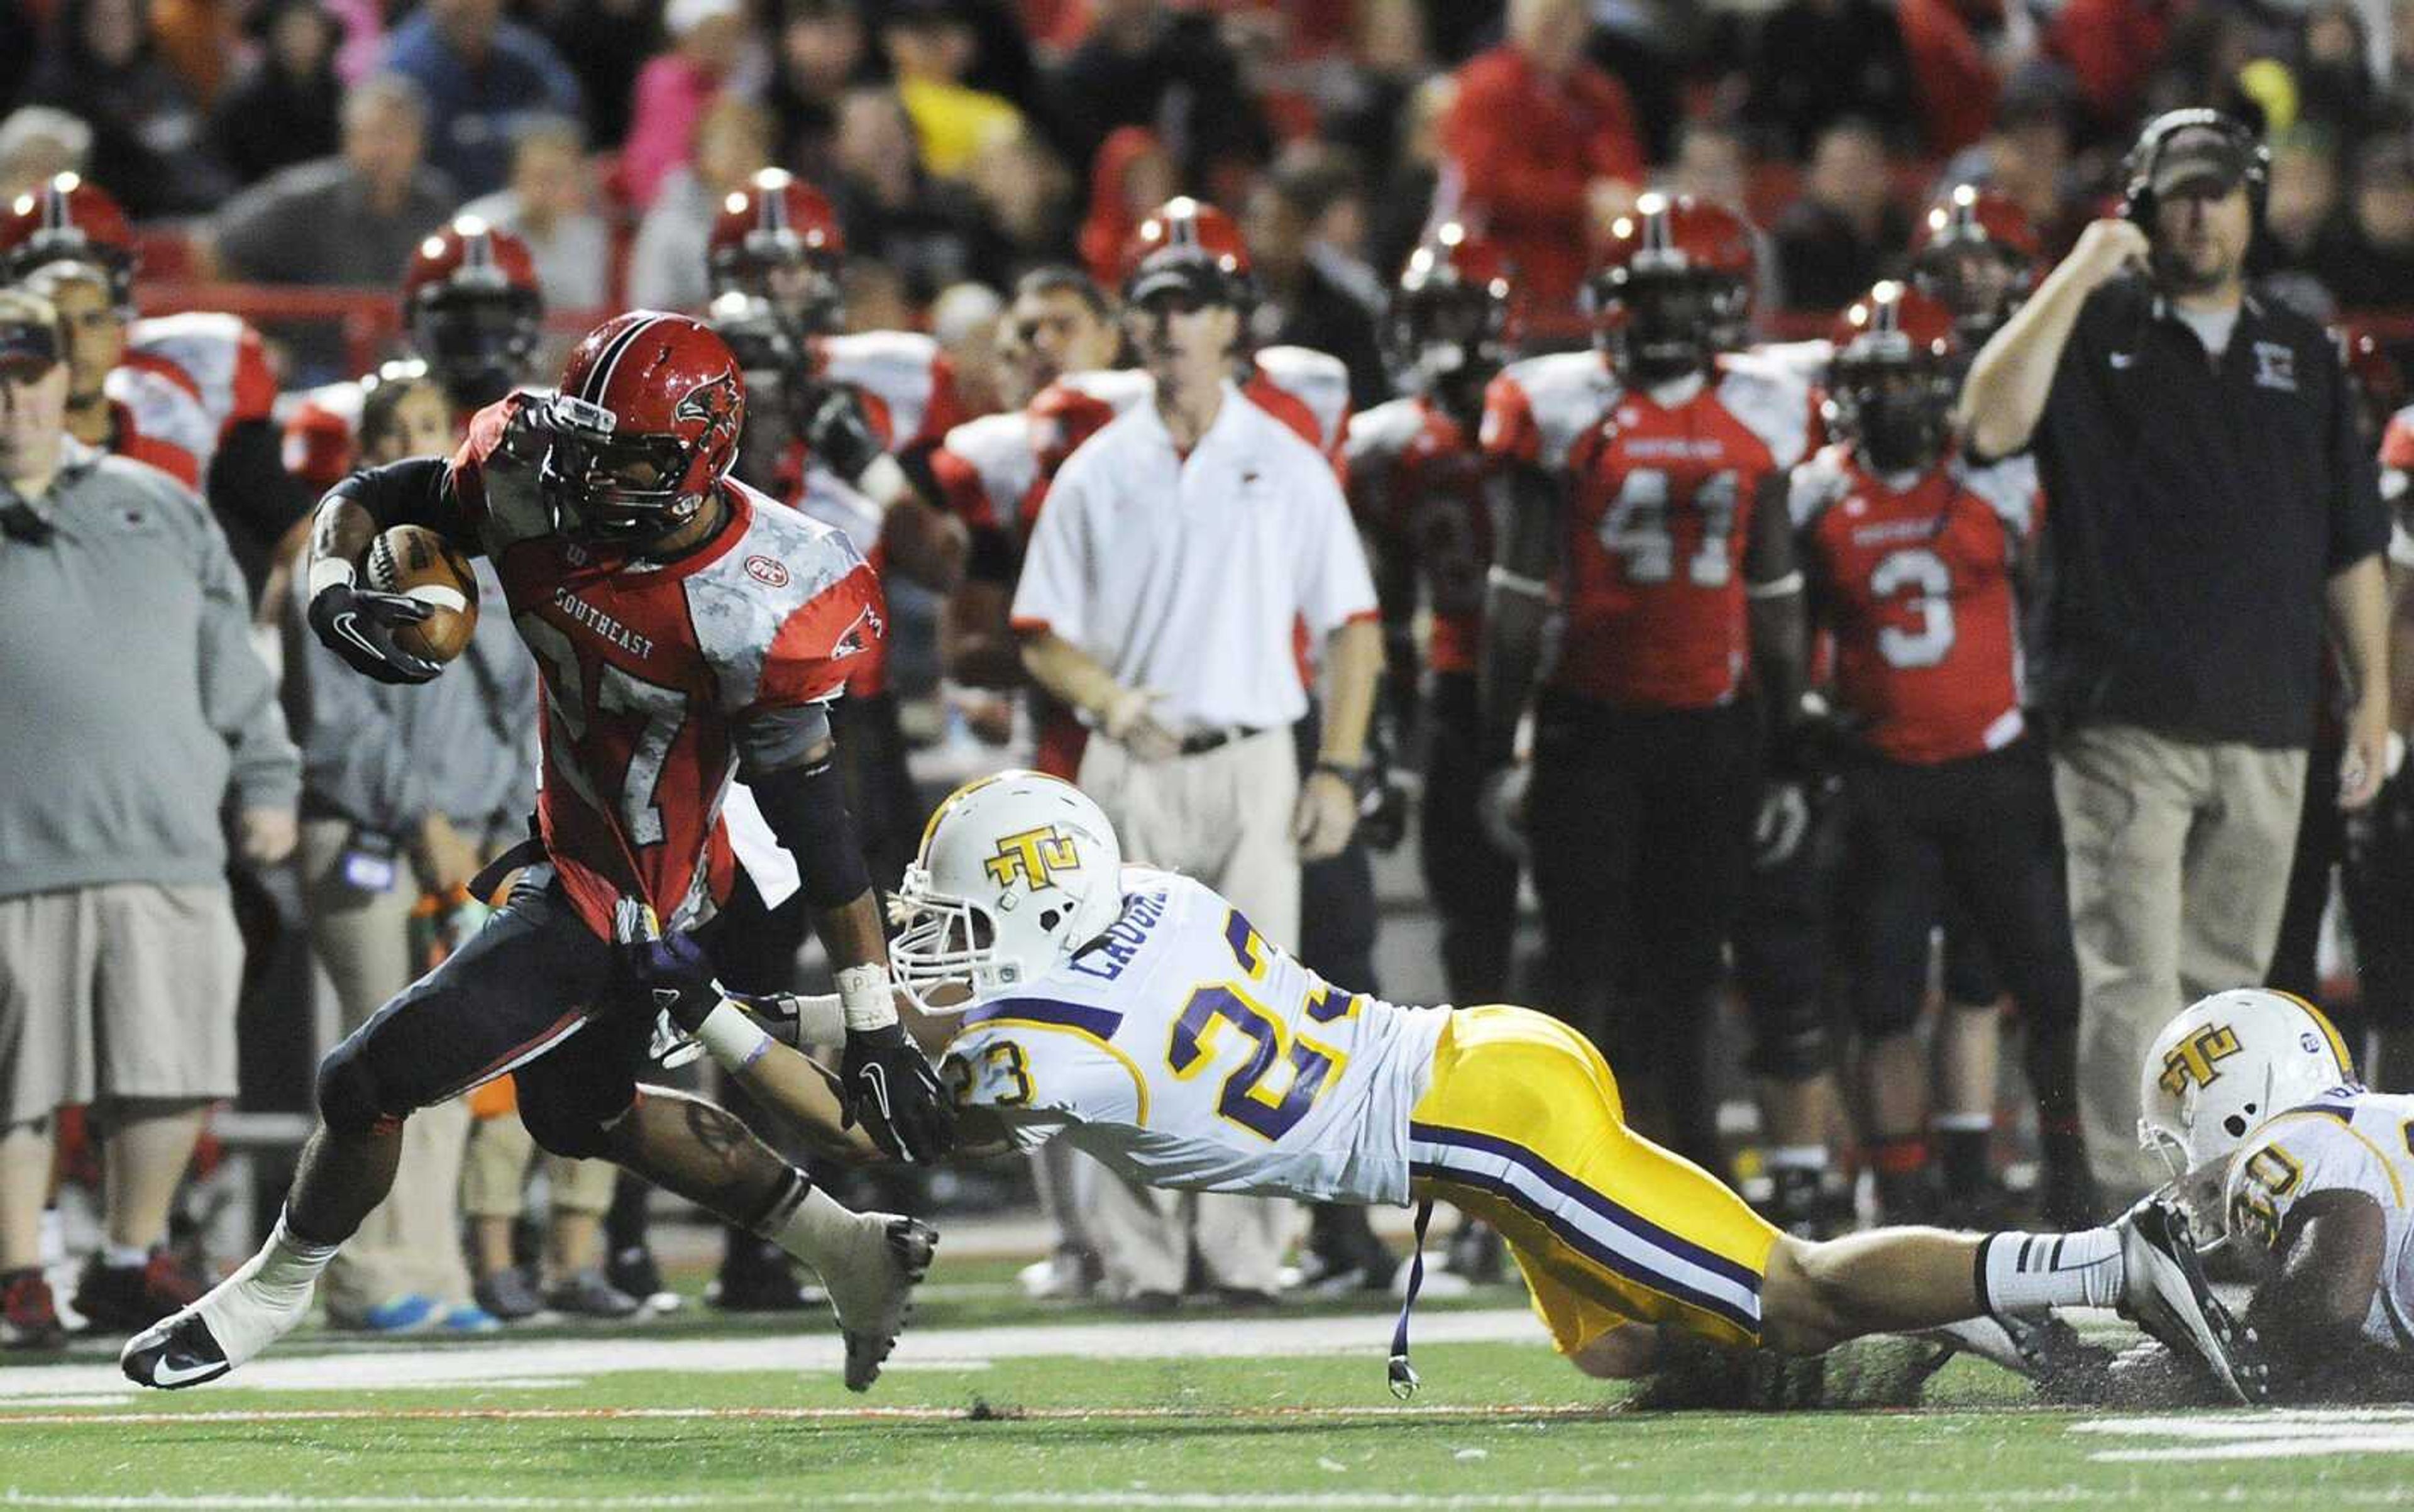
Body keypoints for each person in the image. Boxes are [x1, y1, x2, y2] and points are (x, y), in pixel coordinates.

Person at [669, 769, 2268, 1404]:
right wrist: (791, 993)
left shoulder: (1048, 1043)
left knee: (1774, 1296)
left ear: (1022, 906)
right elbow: (969, 1012)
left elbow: (874, 1127)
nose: (934, 951)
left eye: (958, 921)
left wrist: (720, 1030)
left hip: (1481, 1126)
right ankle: (1976, 1315)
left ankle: (2106, 1257)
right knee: (1639, 1346)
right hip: (1479, 1064)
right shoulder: (1146, 898)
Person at [120, 311, 956, 1392]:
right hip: (573, 845)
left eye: (637, 454)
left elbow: (819, 823)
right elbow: (385, 494)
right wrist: (333, 587)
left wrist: (877, 1020)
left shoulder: (765, 593)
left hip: (627, 894)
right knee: (579, 1112)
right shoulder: (537, 479)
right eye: (595, 443)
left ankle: (273, 1289)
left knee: (364, 1080)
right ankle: (852, 1249)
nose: (603, 474)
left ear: (703, 455)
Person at [1959, 109, 2394, 1203]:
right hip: (2122, 714)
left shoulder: (2301, 349)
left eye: (2218, 191)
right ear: (2143, 208)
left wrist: (2374, 696)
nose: (2199, 214)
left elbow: (2353, 544)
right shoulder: (2092, 323)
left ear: (2251, 203)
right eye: (2178, 195)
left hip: (2266, 713)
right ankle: (2133, 1221)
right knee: (2131, 984)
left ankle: (2220, 1210)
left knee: (2226, 994)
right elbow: (1986, 424)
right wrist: (2072, 273)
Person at [1010, 198, 1384, 1308]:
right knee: (1105, 1016)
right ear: (1133, 321)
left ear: (1234, 322)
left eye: (1198, 303)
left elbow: (1353, 627)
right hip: (1130, 759)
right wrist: (1108, 701)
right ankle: (1138, 1262)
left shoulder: (1287, 458)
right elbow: (1041, 631)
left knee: (1257, 1025)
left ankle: (1243, 1257)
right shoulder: (1096, 465)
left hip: (1256, 756)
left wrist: (1341, 768)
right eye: (1160, 304)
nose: (1177, 324)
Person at [1479, 193, 1814, 1173]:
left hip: (1708, 724)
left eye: (1685, 298)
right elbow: (1518, 592)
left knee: (1684, 971)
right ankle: (1553, 1172)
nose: (1666, 321)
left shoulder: (1768, 402)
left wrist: (1784, 753)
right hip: (1595, 721)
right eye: (1648, 298)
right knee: (1582, 967)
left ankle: (1686, 1172)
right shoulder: (1558, 404)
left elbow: (1777, 591)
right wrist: (1509, 743)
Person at [0, 290, 299, 1350]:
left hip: (167, 837)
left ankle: (127, 1264)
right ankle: (19, 1267)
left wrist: (267, 781)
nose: (13, 400)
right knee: (14, 1081)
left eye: (26, 374)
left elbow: (233, 660)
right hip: (13, 852)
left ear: (59, 380)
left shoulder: (158, 502)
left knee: (171, 1070)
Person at [1792, 282, 2092, 1228]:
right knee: (1883, 998)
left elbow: (2049, 602)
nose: (1889, 401)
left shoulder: (1998, 480)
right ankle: (1909, 1190)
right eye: (1871, 381)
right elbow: (1788, 628)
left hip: (1995, 770)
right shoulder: (1814, 494)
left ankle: (2068, 1169)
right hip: (1883, 777)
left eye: (1906, 378)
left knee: (2049, 988)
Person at [289, 370, 524, 1335]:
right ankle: (362, 1276)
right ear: (363, 453)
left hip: (470, 843)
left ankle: (434, 1270)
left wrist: (502, 824)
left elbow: (525, 710)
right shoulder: (328, 558)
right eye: (399, 433)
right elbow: (336, 721)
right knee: (368, 1064)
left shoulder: (495, 565)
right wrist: (423, 815)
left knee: (442, 1069)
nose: (419, 448)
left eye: (435, 431)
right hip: (369, 840)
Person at [1438, 0, 1643, 324]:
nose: (1556, 31)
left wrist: (1616, 201)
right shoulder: (1486, 87)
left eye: (1566, 18)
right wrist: (1583, 199)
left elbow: (1623, 176)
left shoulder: (1600, 94)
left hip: (1587, 281)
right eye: (1546, 18)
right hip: (1506, 281)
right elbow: (1485, 184)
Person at [207, 73, 459, 293]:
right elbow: (213, 243)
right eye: (374, 134)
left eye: (398, 134)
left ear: (421, 142)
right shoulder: (300, 198)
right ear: (348, 140)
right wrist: (259, 330)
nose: (385, 150)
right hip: (313, 346)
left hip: (405, 345)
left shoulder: (438, 200)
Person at [383, 0, 582, 203]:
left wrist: (492, 130)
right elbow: (425, 148)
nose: (469, 7)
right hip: (436, 205)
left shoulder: (515, 47)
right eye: (460, 6)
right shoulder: (407, 63)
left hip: (519, 201)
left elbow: (567, 109)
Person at [458, 116, 614, 314]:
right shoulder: (478, 224)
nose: (547, 189)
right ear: (516, 176)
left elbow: (587, 312)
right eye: (539, 176)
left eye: (558, 177)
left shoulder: (590, 235)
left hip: (566, 344)